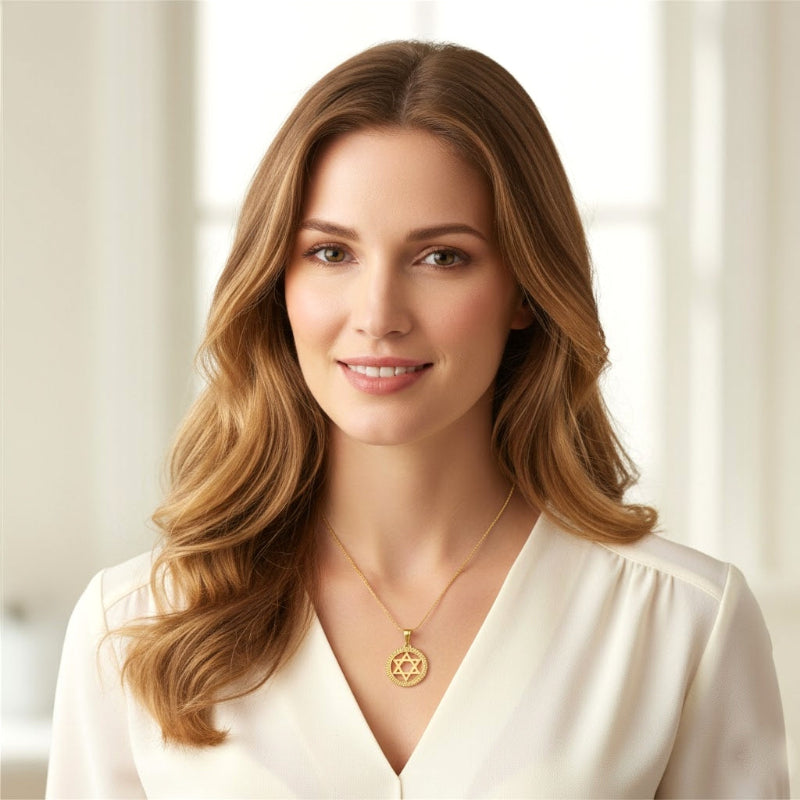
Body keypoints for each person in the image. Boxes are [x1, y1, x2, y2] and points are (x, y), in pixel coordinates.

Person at [46, 40, 789, 799]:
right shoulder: (133, 627)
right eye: (331, 253)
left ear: (525, 290)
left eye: (441, 257)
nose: (378, 316)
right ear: (276, 281)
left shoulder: (682, 624)